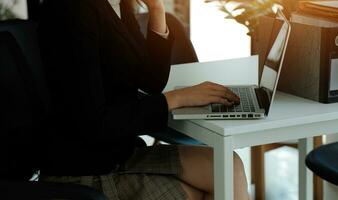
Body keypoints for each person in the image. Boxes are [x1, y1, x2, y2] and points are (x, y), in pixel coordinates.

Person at [37, 0, 249, 199]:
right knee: (220, 187)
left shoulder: (117, 4)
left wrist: (156, 8)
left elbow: (151, 80)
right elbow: (93, 122)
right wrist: (176, 99)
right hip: (85, 169)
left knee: (230, 168)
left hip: (120, 152)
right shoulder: (73, 9)